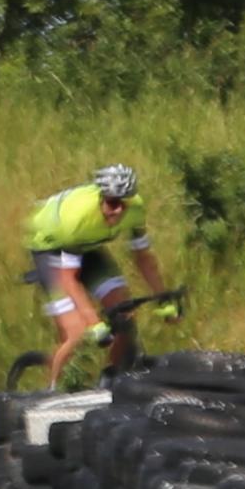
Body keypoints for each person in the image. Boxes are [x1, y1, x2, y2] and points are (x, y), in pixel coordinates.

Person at [21, 162, 170, 379]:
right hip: (52, 249)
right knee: (77, 333)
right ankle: (53, 388)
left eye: (124, 203)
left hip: (87, 247)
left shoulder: (135, 210)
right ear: (101, 198)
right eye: (112, 203)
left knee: (125, 317)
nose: (119, 210)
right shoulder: (78, 220)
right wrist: (94, 323)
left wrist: (163, 298)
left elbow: (143, 257)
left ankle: (110, 379)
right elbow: (68, 279)